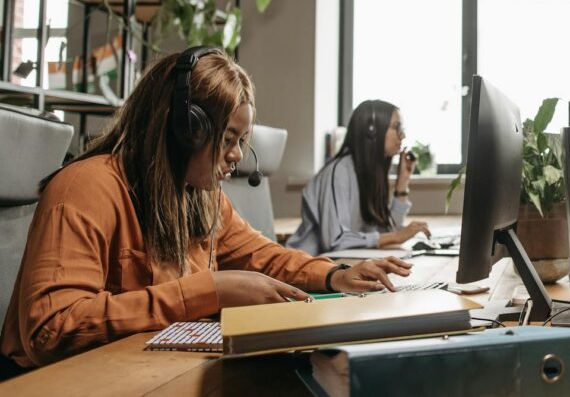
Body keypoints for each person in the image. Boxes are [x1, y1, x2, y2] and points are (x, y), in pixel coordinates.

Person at [1, 47, 413, 369]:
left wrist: (335, 274)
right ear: (184, 130)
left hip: (148, 367)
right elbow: (50, 330)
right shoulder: (86, 188)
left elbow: (262, 255)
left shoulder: (200, 195)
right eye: (228, 138)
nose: (236, 155)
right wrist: (208, 291)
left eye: (241, 140)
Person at [287, 100, 431, 255]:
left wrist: (402, 181)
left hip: (339, 263)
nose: (403, 135)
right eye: (397, 127)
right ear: (372, 131)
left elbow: (387, 231)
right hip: (304, 268)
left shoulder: (369, 173)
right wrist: (397, 236)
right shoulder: (339, 172)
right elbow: (336, 241)